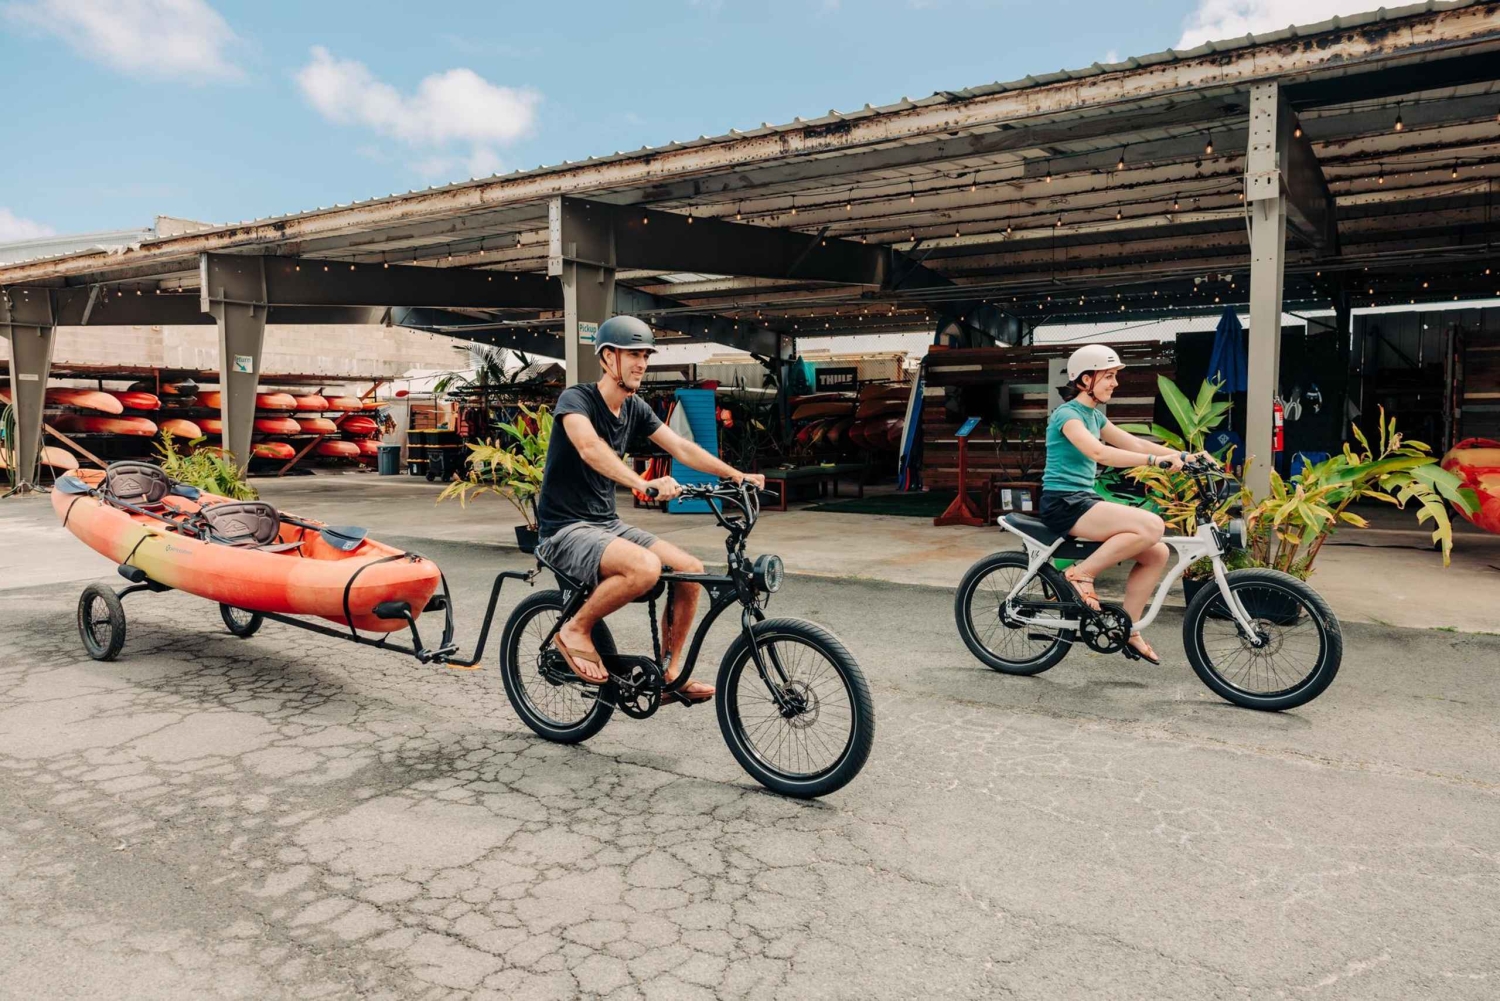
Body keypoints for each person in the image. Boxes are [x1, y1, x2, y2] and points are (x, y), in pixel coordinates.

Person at [536, 314, 766, 702]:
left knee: (690, 569)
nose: (642, 363)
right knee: (645, 566)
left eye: (645, 354)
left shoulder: (635, 408)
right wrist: (641, 483)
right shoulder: (576, 399)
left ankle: (669, 677)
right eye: (633, 354)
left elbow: (681, 447)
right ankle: (575, 628)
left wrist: (735, 475)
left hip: (605, 524)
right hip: (565, 529)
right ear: (608, 358)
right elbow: (590, 448)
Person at [1040, 344, 1212, 664]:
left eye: (1115, 376)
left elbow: (1132, 442)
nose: (1114, 383)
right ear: (1084, 380)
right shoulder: (1067, 414)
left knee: (1157, 552)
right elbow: (1099, 453)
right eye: (1108, 376)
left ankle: (1127, 629)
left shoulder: (1094, 415)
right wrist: (1153, 462)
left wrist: (1184, 457)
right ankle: (1081, 574)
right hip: (1063, 502)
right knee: (1151, 525)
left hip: (1083, 500)